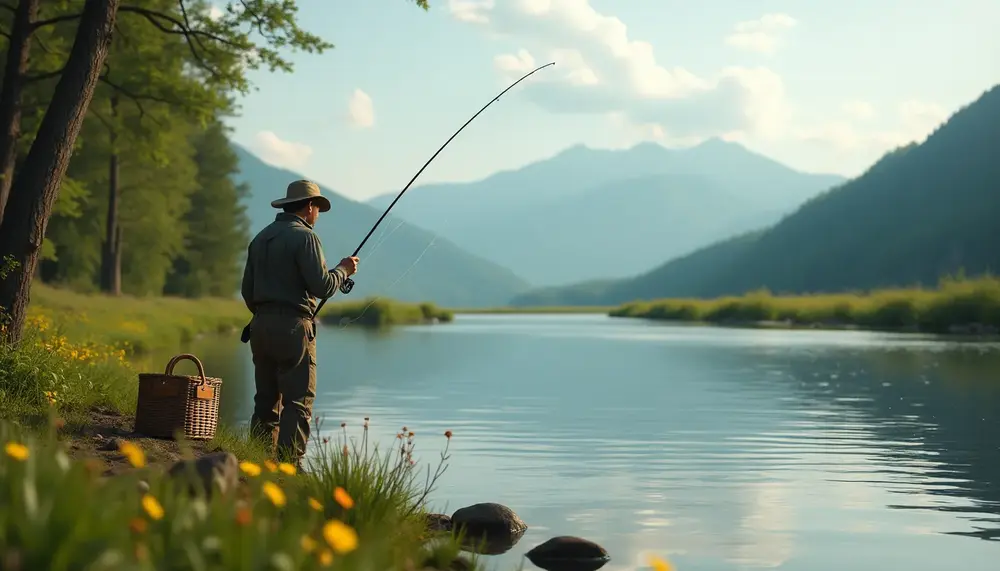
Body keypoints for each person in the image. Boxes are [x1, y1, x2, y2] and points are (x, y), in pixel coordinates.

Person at [240, 179, 359, 465]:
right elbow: (323, 287)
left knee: (265, 400)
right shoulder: (306, 237)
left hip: (260, 327)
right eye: (317, 208)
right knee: (297, 402)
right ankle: (288, 468)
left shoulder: (260, 238)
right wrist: (343, 270)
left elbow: (247, 290)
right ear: (309, 207)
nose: (317, 215)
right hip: (294, 329)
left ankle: (257, 463)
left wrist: (266, 314)